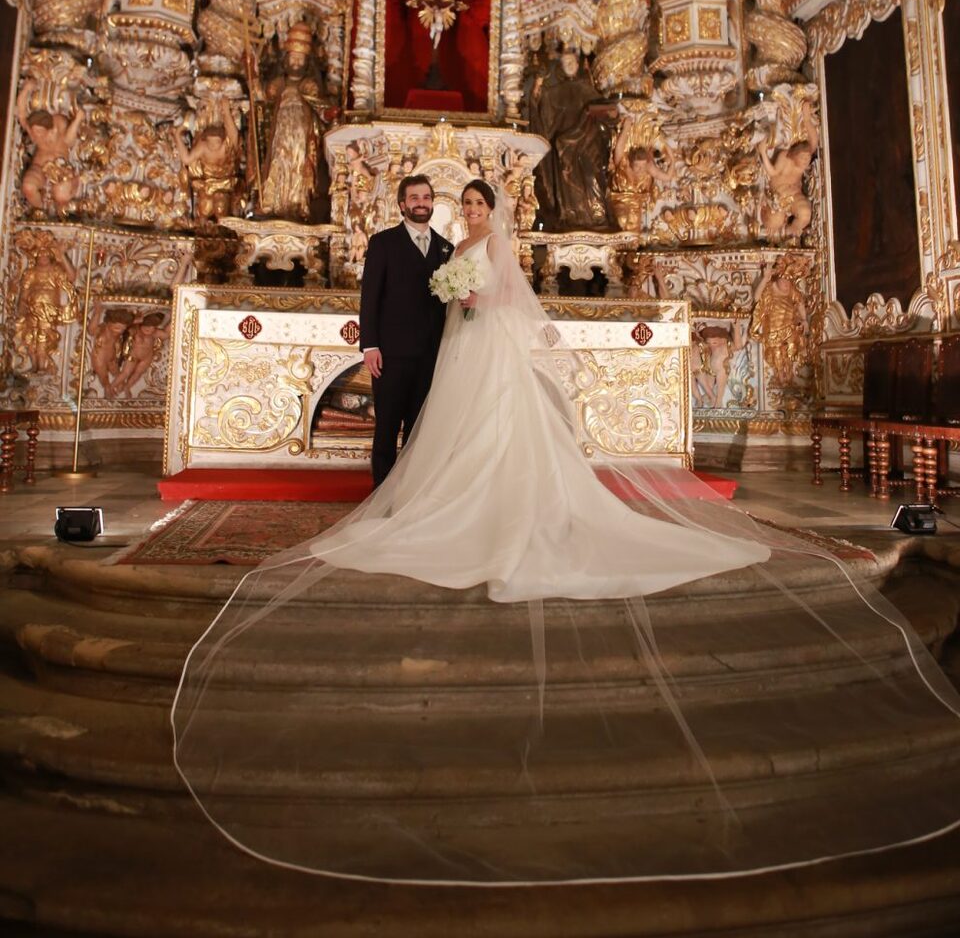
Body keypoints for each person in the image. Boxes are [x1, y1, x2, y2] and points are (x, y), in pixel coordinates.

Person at [174, 183, 960, 884]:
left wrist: (472, 302)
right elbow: (427, 295)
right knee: (441, 443)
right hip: (453, 354)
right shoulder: (441, 246)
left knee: (491, 440)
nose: (472, 214)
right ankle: (434, 501)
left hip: (485, 354)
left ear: (490, 211)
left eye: (479, 207)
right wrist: (451, 302)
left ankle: (490, 509)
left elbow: (504, 302)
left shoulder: (482, 248)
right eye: (467, 206)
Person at [359, 173, 454, 486]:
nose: (421, 203)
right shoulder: (383, 243)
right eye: (414, 198)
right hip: (391, 355)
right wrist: (369, 345)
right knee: (386, 427)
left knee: (417, 432)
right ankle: (380, 496)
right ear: (402, 204)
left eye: (426, 198)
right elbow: (370, 297)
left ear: (432, 203)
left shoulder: (446, 249)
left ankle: (408, 495)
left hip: (429, 356)